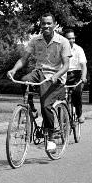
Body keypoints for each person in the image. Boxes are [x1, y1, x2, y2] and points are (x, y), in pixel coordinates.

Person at [7, 12, 71, 152]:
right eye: (43, 23)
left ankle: (51, 136)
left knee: (46, 104)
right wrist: (14, 69)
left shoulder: (63, 42)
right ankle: (32, 110)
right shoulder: (35, 40)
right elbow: (24, 59)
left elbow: (66, 65)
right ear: (40, 25)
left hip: (55, 76)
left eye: (49, 23)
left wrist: (56, 75)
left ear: (54, 25)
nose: (46, 26)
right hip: (39, 72)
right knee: (24, 81)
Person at [64, 28, 87, 123]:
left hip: (77, 74)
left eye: (73, 38)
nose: (71, 40)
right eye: (69, 38)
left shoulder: (78, 49)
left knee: (76, 93)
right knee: (58, 95)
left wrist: (83, 77)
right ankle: (63, 120)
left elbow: (83, 66)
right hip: (64, 74)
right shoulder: (60, 49)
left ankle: (79, 113)